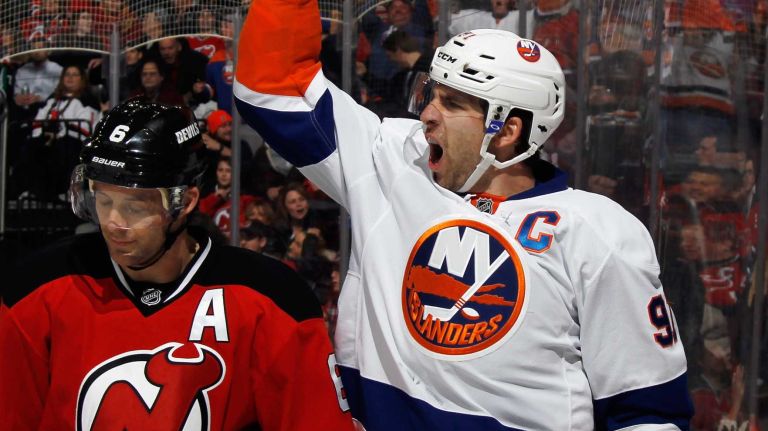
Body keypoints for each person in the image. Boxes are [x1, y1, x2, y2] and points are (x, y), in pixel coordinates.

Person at [235, 1, 692, 429]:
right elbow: (271, 85)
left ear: (508, 130)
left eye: (453, 104)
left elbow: (647, 409)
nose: (427, 116)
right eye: (431, 94)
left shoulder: (596, 231)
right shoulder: (395, 160)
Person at [0, 98, 355, 430]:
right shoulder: (33, 293)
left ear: (184, 202)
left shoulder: (273, 301)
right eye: (103, 199)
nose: (113, 222)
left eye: (135, 206)